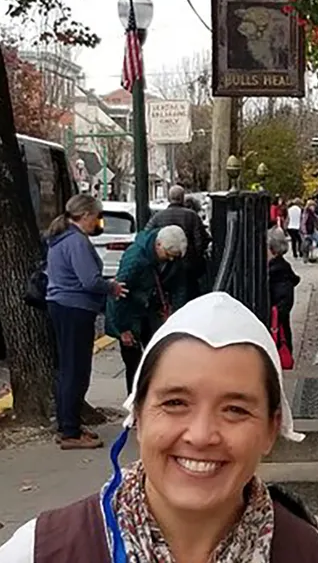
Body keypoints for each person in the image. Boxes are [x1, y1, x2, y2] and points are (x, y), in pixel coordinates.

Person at [0, 293, 318, 563]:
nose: (201, 434)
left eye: (235, 409)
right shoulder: (41, 552)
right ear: (139, 415)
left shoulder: (313, 555)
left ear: (272, 429)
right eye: (175, 403)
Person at [45, 194, 127, 450]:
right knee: (76, 369)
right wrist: (111, 287)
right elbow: (89, 280)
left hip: (61, 305)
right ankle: (70, 430)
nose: (98, 221)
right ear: (86, 216)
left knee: (67, 367)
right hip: (75, 307)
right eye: (97, 216)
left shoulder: (60, 239)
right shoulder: (77, 242)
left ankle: (67, 423)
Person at [105, 225, 189, 395]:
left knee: (158, 359)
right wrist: (122, 330)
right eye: (168, 255)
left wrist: (174, 314)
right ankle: (135, 405)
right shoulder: (135, 259)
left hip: (152, 312)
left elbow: (180, 287)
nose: (171, 260)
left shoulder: (172, 256)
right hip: (131, 313)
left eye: (174, 257)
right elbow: (118, 294)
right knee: (134, 365)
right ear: (158, 245)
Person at [146, 184, 211, 297]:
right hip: (187, 268)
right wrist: (196, 258)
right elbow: (200, 241)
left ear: (168, 198)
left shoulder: (158, 217)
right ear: (182, 198)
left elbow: (147, 235)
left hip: (164, 268)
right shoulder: (192, 216)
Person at [267, 227, 300, 360]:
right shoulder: (276, 269)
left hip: (277, 333)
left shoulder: (280, 271)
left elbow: (284, 304)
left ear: (273, 250)